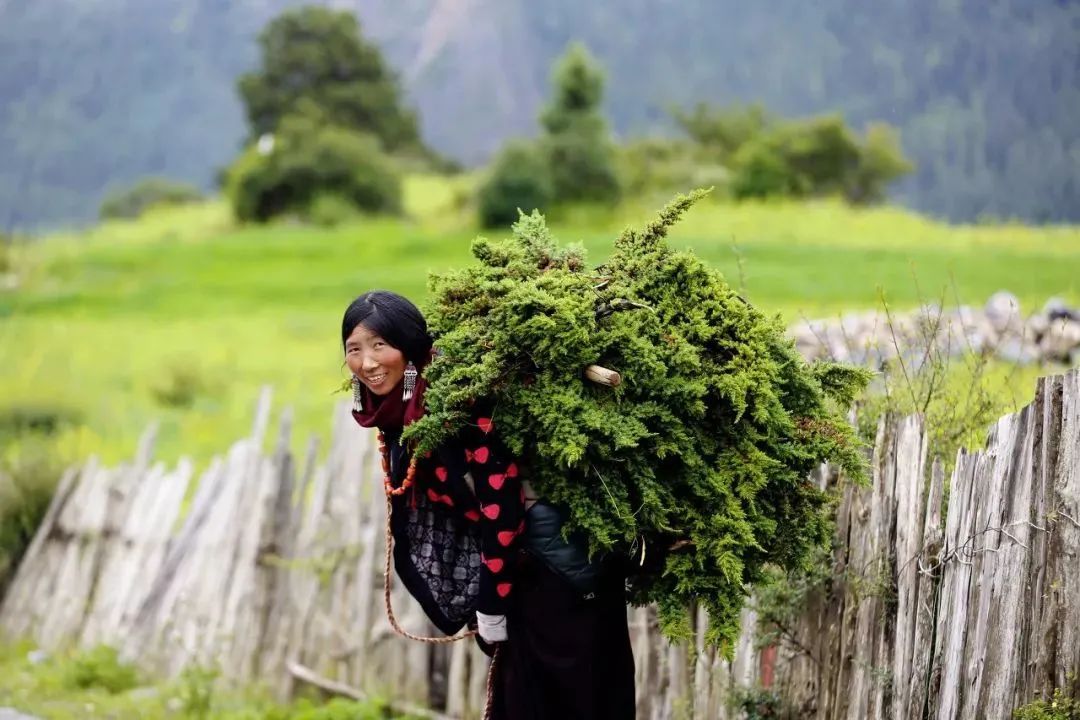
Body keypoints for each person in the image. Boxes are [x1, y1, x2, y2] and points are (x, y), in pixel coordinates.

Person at [342, 289, 636, 719]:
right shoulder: (401, 409)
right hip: (526, 574)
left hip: (558, 573)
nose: (367, 363)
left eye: (380, 346)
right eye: (354, 349)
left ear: (409, 348)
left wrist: (491, 602)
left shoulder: (457, 402)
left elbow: (502, 505)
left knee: (568, 702)